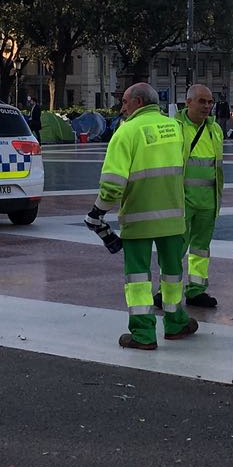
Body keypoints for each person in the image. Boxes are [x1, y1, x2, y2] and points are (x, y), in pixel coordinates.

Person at [85, 82, 194, 349]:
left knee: (138, 278)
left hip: (139, 218)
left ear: (139, 102)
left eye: (125, 101)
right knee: (172, 274)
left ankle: (143, 334)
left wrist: (98, 211)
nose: (122, 107)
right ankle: (176, 322)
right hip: (172, 217)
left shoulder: (127, 131)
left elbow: (112, 182)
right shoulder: (176, 128)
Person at [176, 83, 224, 308]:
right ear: (188, 102)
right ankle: (168, 290)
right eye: (202, 101)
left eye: (210, 102)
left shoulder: (215, 130)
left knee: (200, 250)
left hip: (208, 202)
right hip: (183, 201)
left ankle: (196, 290)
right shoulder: (175, 128)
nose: (207, 106)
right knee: (175, 250)